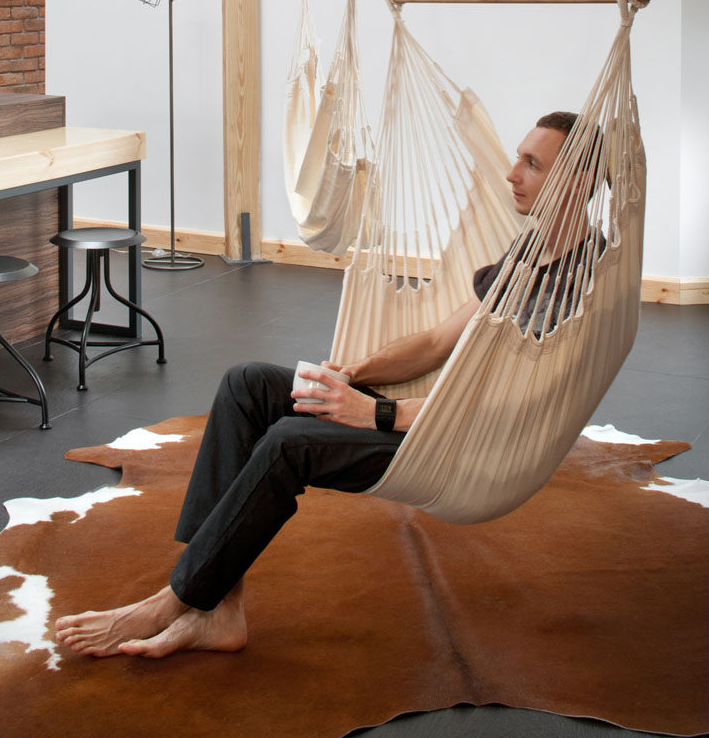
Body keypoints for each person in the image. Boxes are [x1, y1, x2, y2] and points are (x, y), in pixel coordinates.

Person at [54, 111, 592, 660]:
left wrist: (374, 415)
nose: (511, 173)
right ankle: (218, 609)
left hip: (458, 445)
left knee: (290, 442)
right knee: (248, 385)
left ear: (574, 180)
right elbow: (435, 343)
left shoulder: (578, 286)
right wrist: (352, 376)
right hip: (427, 414)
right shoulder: (527, 257)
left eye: (532, 163)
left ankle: (173, 601)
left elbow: (506, 407)